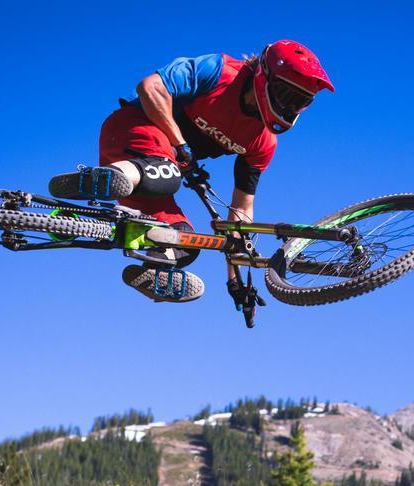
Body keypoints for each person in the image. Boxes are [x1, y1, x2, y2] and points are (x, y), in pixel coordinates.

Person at [49, 40, 334, 305]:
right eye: (286, 94)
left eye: (298, 101)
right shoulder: (220, 72)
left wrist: (234, 280)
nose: (288, 106)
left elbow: (241, 212)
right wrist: (180, 145)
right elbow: (150, 88)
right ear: (263, 76)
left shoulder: (263, 143)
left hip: (155, 178)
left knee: (184, 240)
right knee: (167, 174)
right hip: (133, 131)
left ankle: (146, 264)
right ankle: (104, 179)